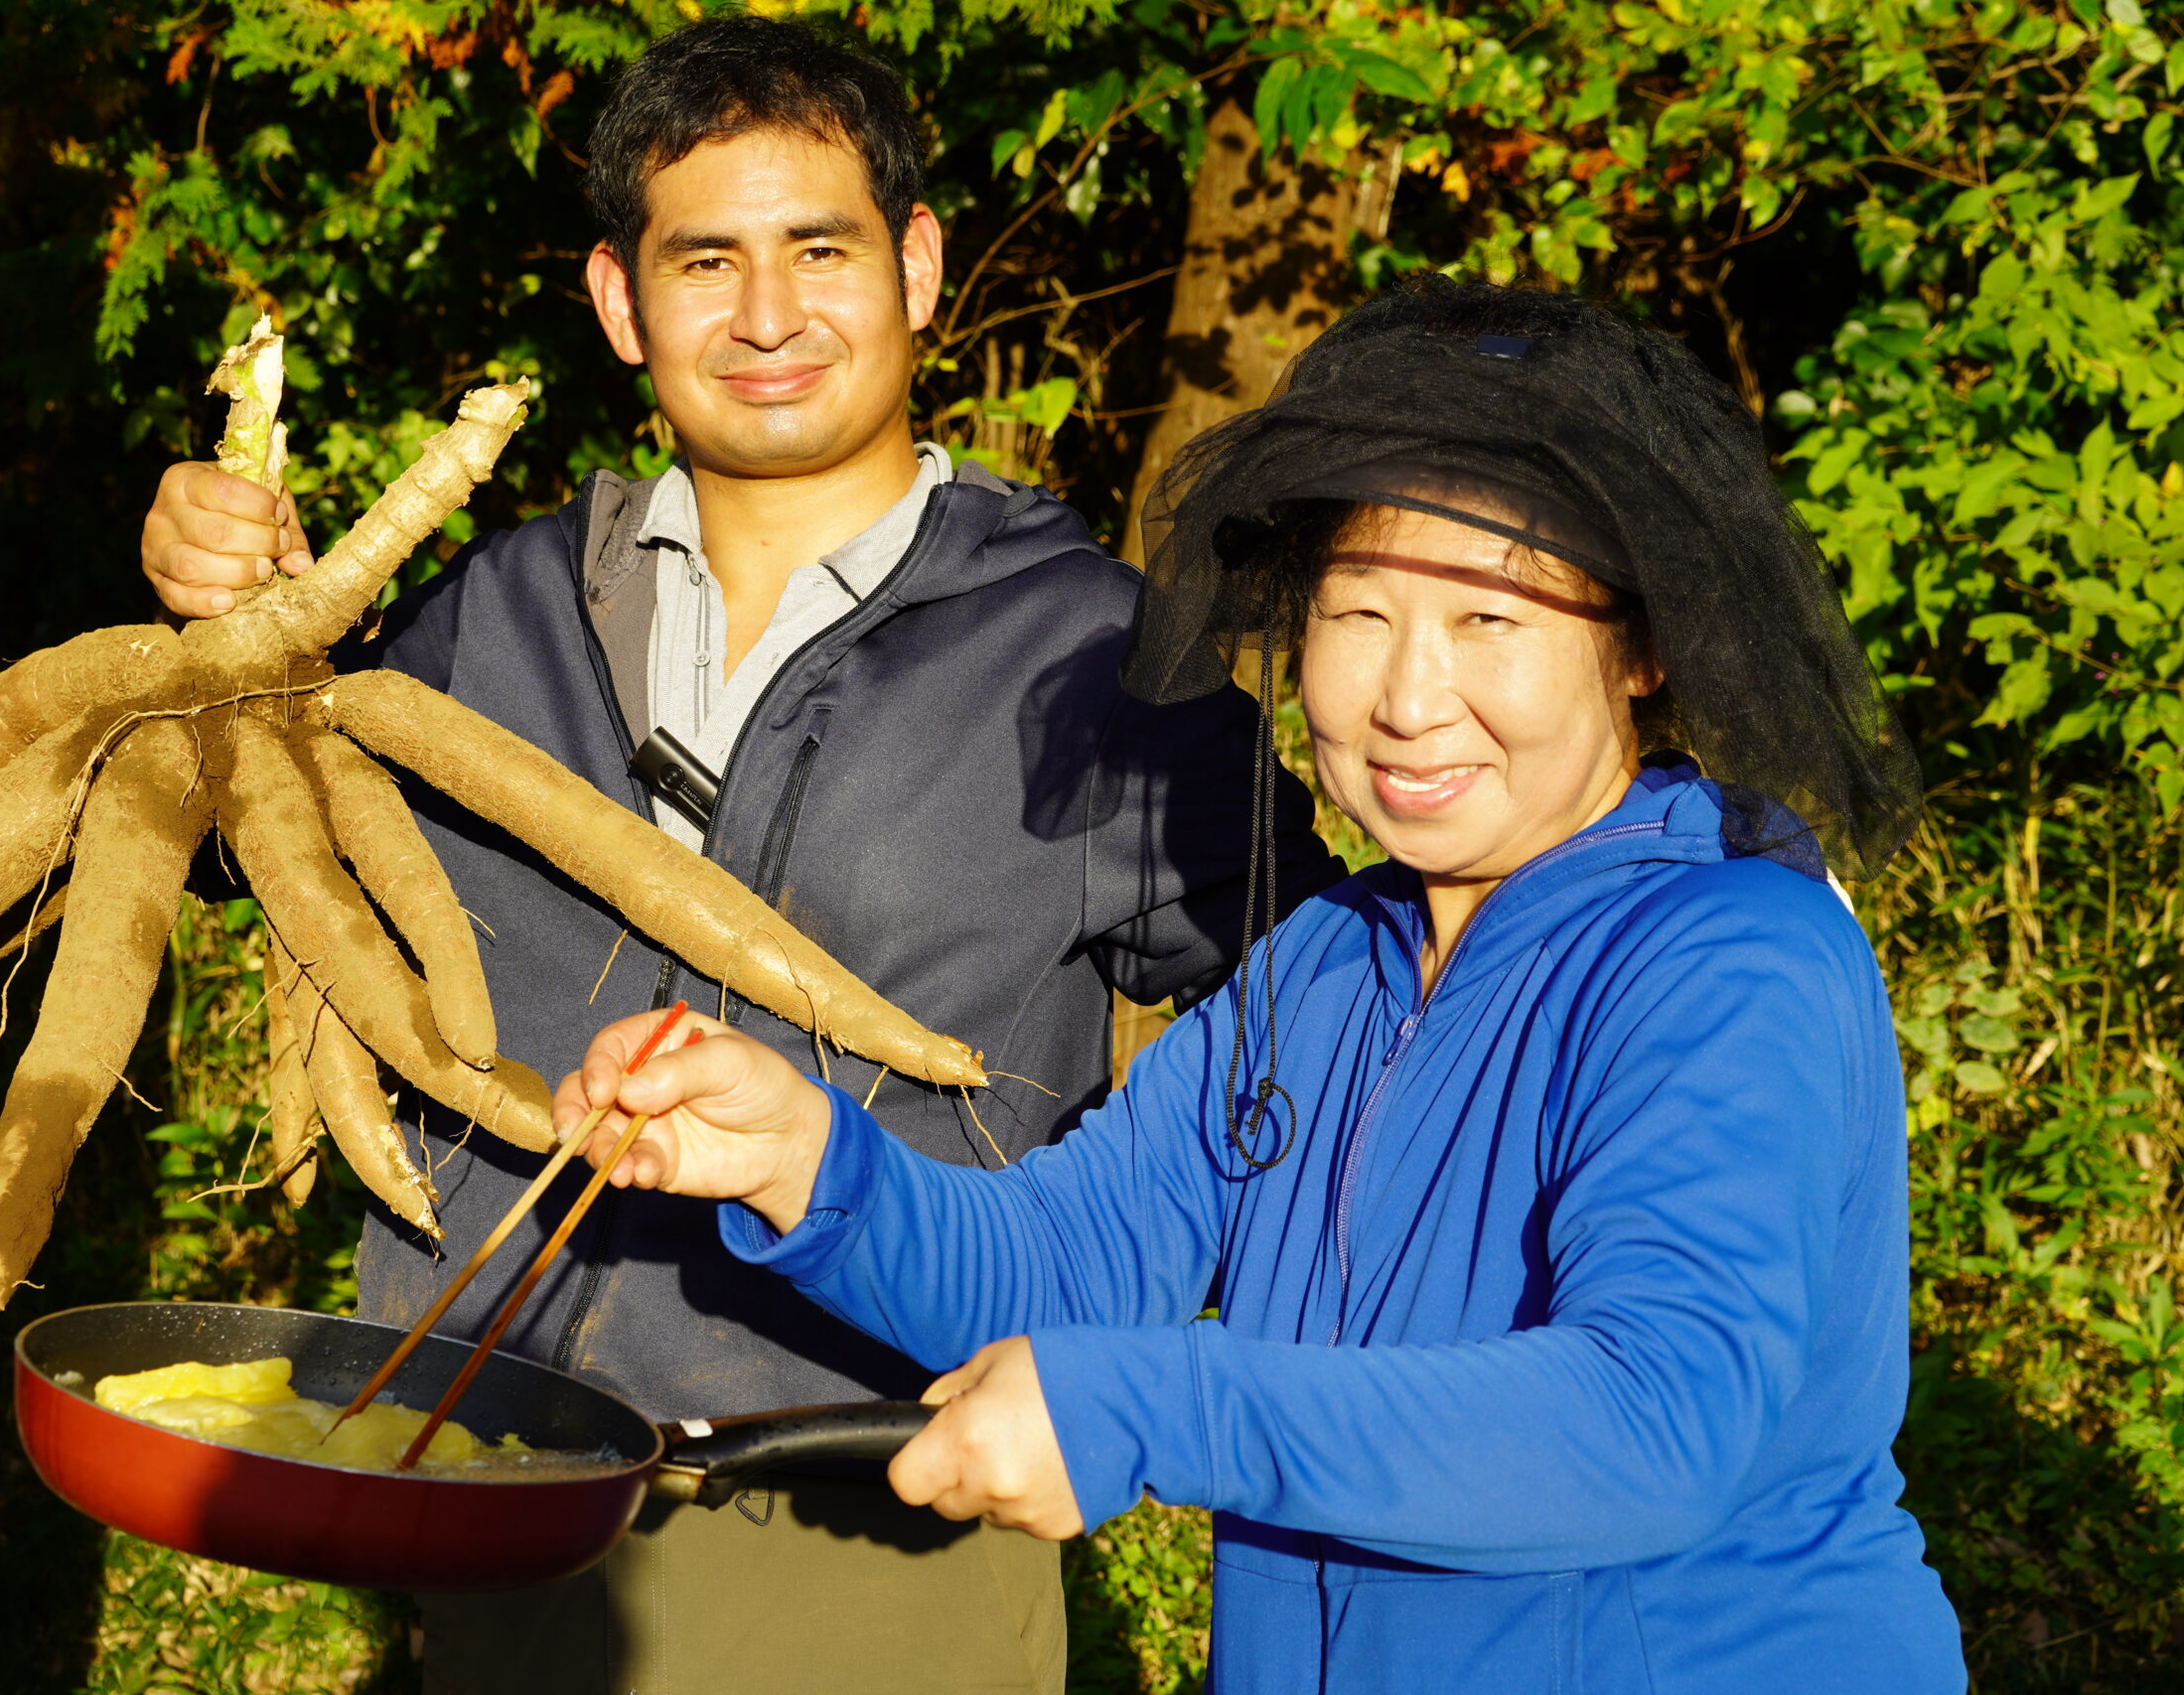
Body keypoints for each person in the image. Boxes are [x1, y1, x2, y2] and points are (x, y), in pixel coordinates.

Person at [138, 18, 1334, 1695]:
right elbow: (212, 841)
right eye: (706, 260)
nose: (767, 317)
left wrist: (1114, 1320)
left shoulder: (1101, 665)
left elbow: (1323, 1023)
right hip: (499, 1503)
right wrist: (209, 635)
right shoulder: (492, 615)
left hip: (875, 1521)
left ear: (916, 268)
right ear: (624, 303)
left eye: (820, 250)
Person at [554, 278, 1969, 1694]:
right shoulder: (1329, 962)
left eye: (1490, 623)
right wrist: (810, 1163)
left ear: (1644, 649)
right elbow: (1073, 1263)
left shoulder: (1729, 955)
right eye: (1359, 614)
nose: (1409, 698)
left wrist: (1159, 1406)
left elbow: (1655, 1420)